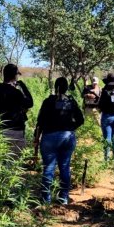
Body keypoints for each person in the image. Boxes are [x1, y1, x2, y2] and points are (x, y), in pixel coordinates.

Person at [33, 77, 84, 205]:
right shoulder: (71, 101)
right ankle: (64, 198)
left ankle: (46, 199)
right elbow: (81, 120)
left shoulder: (48, 101)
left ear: (55, 87)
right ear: (67, 88)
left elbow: (40, 122)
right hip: (67, 137)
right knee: (65, 167)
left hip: (49, 138)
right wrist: (70, 128)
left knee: (48, 168)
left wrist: (36, 138)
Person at [0, 64, 34, 158]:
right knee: (15, 161)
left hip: (2, 127)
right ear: (15, 76)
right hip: (15, 129)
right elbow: (30, 103)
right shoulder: (16, 93)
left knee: (5, 158)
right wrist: (23, 86)